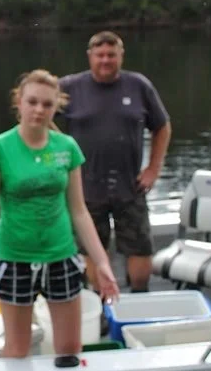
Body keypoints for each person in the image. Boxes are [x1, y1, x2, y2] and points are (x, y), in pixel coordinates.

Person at [0, 69, 119, 358]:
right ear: (19, 102)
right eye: (32, 102)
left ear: (56, 107)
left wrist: (102, 262)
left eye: (47, 104)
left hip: (61, 257)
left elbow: (79, 211)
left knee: (70, 350)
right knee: (17, 349)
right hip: (15, 258)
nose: (39, 110)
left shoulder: (67, 148)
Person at [58, 31, 171, 292]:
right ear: (90, 57)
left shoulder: (139, 85)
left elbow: (162, 127)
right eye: (100, 55)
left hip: (131, 186)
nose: (105, 60)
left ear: (121, 56)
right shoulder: (69, 87)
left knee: (140, 248)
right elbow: (38, 117)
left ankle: (139, 297)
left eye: (111, 55)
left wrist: (153, 169)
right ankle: (101, 305)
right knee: (91, 249)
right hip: (86, 187)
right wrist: (58, 154)